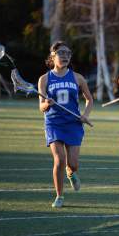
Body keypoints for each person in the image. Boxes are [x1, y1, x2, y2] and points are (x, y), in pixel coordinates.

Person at [38, 41, 93, 208]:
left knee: (73, 164)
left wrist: (85, 115)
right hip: (54, 123)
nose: (65, 56)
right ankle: (59, 196)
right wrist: (47, 104)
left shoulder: (78, 77)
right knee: (59, 159)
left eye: (68, 54)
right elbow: (41, 107)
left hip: (73, 123)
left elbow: (89, 100)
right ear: (53, 56)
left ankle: (71, 173)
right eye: (61, 53)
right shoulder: (44, 79)